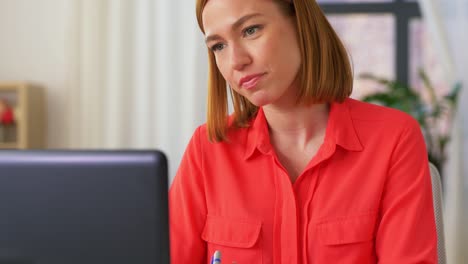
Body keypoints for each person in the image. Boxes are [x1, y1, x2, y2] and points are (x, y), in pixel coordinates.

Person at [169, 0, 438, 263]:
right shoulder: (207, 149)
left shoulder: (393, 139)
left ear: (301, 24)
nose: (236, 61)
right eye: (219, 46)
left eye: (251, 30)